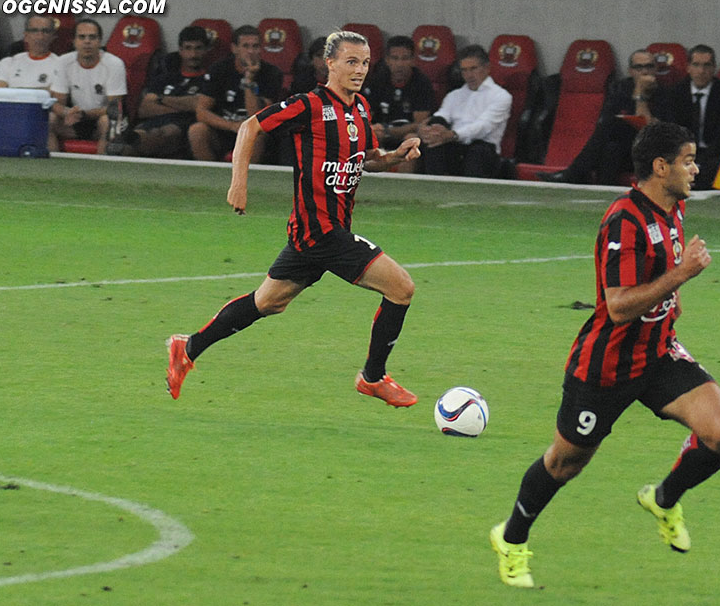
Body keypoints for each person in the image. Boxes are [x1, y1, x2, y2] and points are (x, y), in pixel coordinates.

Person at [489, 121, 720, 589]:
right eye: (687, 160)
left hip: (659, 353)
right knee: (566, 463)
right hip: (607, 366)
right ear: (660, 167)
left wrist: (673, 299)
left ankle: (663, 498)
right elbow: (620, 305)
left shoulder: (674, 208)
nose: (695, 168)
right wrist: (681, 276)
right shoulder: (623, 220)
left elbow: (661, 272)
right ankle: (512, 537)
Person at [166, 30, 422, 408]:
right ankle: (372, 377)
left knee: (268, 302)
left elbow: (366, 159)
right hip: (321, 231)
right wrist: (239, 183)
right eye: (351, 62)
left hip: (317, 233)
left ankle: (187, 347)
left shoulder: (361, 108)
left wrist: (396, 155)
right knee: (402, 288)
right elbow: (250, 126)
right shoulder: (310, 104)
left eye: (365, 63)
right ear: (329, 63)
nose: (359, 70)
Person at [538, 49, 668, 184]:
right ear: (630, 71)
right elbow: (606, 119)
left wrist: (640, 94)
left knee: (612, 129)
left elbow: (651, 131)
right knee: (611, 148)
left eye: (649, 66)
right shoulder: (621, 88)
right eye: (639, 67)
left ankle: (573, 174)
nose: (644, 71)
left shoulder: (665, 93)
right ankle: (602, 191)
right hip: (621, 149)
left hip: (648, 153)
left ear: (655, 69)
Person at [106, 26, 209, 158]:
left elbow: (198, 105)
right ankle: (124, 142)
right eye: (188, 48)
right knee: (132, 142)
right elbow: (144, 109)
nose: (193, 54)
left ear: (206, 50)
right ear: (180, 50)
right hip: (152, 124)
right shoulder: (165, 78)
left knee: (164, 133)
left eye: (198, 48)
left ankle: (126, 138)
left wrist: (161, 99)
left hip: (182, 128)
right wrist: (183, 106)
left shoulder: (209, 79)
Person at [188, 25, 283, 163]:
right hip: (224, 128)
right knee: (197, 130)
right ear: (234, 48)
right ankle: (211, 178)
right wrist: (231, 126)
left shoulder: (271, 73)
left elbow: (257, 116)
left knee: (257, 134)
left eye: (255, 46)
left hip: (251, 130)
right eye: (245, 46)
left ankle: (245, 180)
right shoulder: (219, 69)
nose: (251, 51)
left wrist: (249, 79)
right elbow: (201, 112)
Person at [417, 45, 512, 178]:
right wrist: (428, 128)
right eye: (464, 70)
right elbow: (442, 115)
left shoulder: (501, 96)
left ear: (487, 68)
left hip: (483, 148)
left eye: (473, 69)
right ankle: (434, 188)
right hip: (454, 144)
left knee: (477, 152)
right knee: (433, 142)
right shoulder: (454, 95)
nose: (469, 75)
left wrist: (452, 134)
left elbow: (483, 127)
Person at [663, 45, 720, 189]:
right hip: (682, 151)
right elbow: (673, 130)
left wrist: (700, 161)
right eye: (696, 65)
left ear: (714, 68)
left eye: (707, 65)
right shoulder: (675, 93)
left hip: (713, 152)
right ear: (688, 68)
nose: (701, 71)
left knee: (712, 168)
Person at [48, 18, 127, 154]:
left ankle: (102, 171)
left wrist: (84, 114)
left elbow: (115, 107)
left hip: (100, 120)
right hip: (74, 120)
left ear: (100, 41)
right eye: (82, 37)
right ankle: (52, 169)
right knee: (49, 119)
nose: (87, 42)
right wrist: (67, 112)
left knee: (108, 122)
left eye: (92, 37)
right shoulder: (63, 62)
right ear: (74, 41)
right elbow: (56, 103)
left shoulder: (114, 64)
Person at [363, 35, 435, 153]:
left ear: (413, 61)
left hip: (404, 134)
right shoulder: (377, 81)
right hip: (380, 133)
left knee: (412, 141)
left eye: (405, 58)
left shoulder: (422, 84)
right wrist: (372, 129)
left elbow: (420, 124)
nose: (399, 64)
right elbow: (365, 116)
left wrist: (388, 131)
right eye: (395, 58)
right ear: (387, 60)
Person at [0, 15, 58, 89]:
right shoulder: (8, 63)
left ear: (53, 37)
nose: (40, 37)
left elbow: (55, 93)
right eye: (34, 31)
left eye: (45, 31)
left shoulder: (61, 65)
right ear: (26, 36)